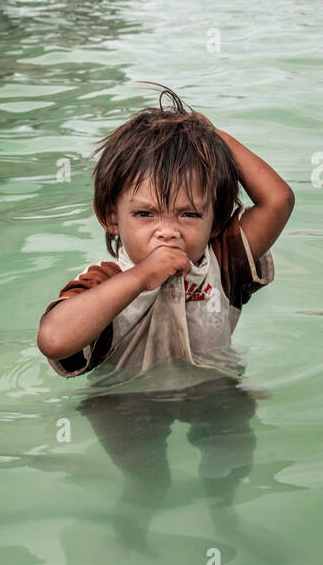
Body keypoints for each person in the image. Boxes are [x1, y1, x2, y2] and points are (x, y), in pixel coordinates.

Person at [36, 85, 295, 381]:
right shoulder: (105, 281)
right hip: (126, 401)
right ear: (111, 218)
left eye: (189, 214)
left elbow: (279, 200)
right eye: (145, 214)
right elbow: (53, 340)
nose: (168, 232)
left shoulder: (223, 261)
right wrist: (143, 276)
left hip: (211, 389)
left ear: (217, 221)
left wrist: (212, 136)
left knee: (229, 410)